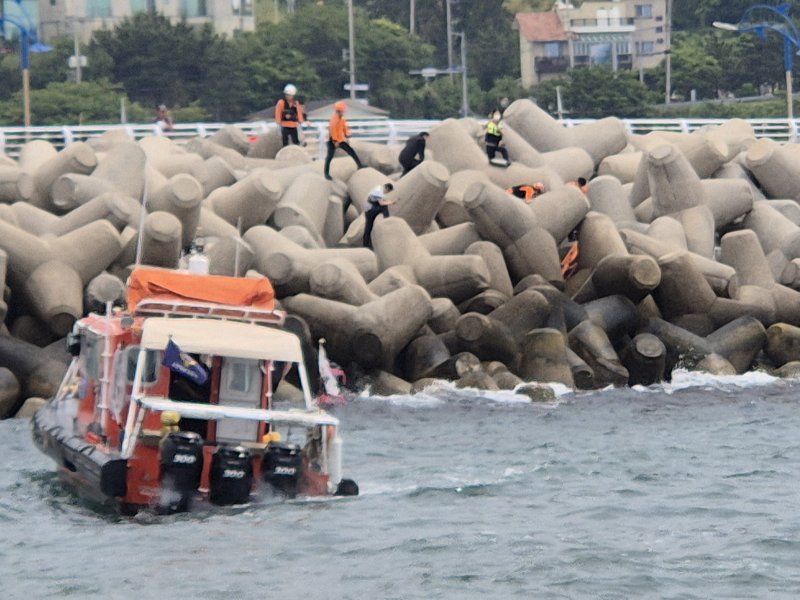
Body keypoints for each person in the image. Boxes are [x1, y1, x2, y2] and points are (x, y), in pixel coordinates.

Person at [324, 101, 363, 180]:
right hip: (333, 140)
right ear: (339, 111)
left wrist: (347, 135)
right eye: (343, 111)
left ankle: (360, 165)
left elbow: (344, 127)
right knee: (330, 157)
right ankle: (326, 173)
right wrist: (335, 141)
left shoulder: (342, 119)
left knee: (351, 151)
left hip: (340, 139)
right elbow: (333, 130)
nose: (344, 112)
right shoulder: (334, 119)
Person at [362, 182, 395, 249]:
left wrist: (389, 201)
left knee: (368, 226)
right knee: (369, 226)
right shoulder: (379, 191)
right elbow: (382, 203)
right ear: (387, 188)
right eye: (388, 191)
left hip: (369, 208)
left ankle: (366, 244)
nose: (387, 193)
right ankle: (387, 221)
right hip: (370, 209)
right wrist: (392, 202)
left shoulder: (379, 188)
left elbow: (382, 200)